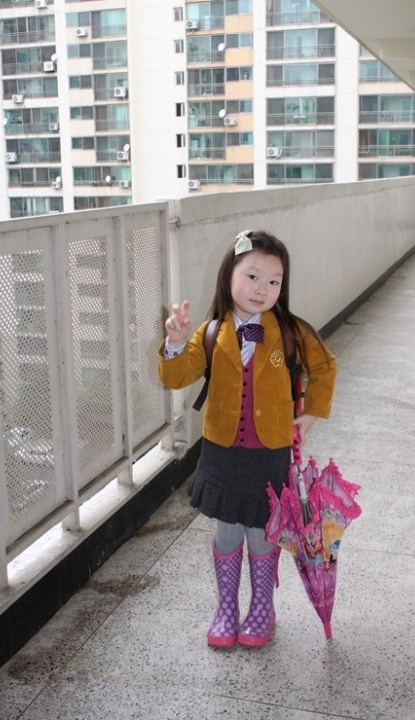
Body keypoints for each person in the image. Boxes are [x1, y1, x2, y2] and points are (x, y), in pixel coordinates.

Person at [158, 230, 336, 649]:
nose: (262, 289)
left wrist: (309, 416)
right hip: (222, 451)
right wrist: (175, 344)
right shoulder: (210, 332)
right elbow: (177, 377)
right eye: (252, 276)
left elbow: (325, 367)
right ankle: (226, 608)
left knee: (261, 530)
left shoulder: (289, 332)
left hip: (269, 452)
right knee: (227, 532)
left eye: (274, 281)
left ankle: (261, 607)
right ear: (229, 276)